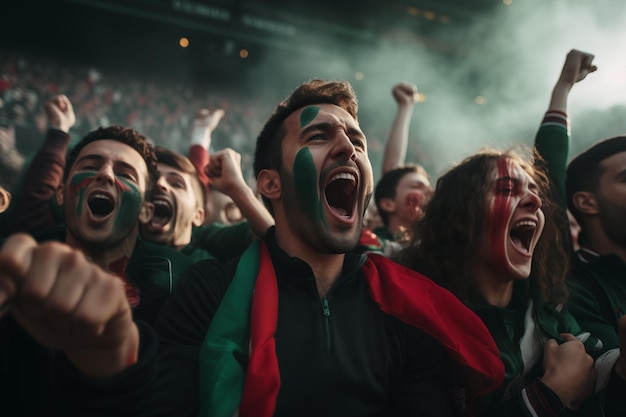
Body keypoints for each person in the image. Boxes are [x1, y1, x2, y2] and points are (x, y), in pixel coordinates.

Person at [0, 79, 504, 416]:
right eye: (319, 134)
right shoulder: (205, 289)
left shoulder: (409, 309)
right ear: (270, 183)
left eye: (357, 139)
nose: (350, 146)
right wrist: (106, 359)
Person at [398, 148, 626, 416]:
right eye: (507, 190)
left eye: (534, 190)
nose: (535, 200)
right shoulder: (417, 324)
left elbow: (599, 373)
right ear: (459, 217)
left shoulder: (549, 306)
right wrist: (548, 396)